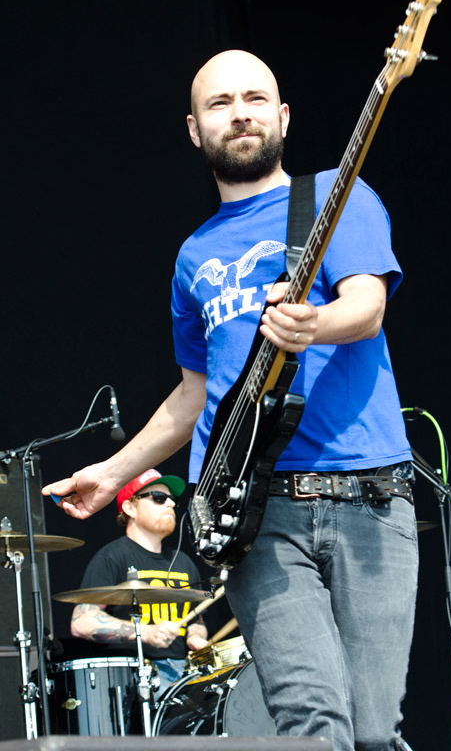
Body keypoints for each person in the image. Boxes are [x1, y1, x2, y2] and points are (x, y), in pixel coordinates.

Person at [44, 49, 418, 750]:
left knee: (374, 731)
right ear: (195, 129)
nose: (239, 112)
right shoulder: (194, 255)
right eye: (220, 103)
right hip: (254, 514)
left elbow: (366, 307)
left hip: (369, 499)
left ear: (281, 116)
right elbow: (193, 393)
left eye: (254, 98)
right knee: (311, 721)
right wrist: (115, 471)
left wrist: (313, 323)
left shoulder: (339, 195)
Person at [70, 469, 209, 697]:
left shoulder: (184, 562)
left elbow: (197, 620)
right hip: (133, 677)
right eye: (158, 498)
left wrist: (195, 637)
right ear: (130, 507)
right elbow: (82, 622)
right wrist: (145, 633)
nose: (171, 505)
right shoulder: (112, 557)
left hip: (183, 673)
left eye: (172, 500)